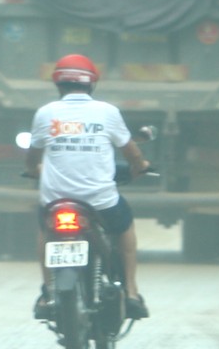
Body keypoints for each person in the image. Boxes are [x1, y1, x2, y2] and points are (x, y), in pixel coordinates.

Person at [26, 53, 150, 320]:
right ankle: (130, 292)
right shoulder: (107, 112)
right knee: (124, 226)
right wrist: (140, 167)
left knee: (44, 230)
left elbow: (33, 157)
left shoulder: (45, 113)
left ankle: (48, 292)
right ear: (91, 84)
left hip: (55, 203)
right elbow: (132, 154)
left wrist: (33, 170)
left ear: (58, 84)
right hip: (100, 202)